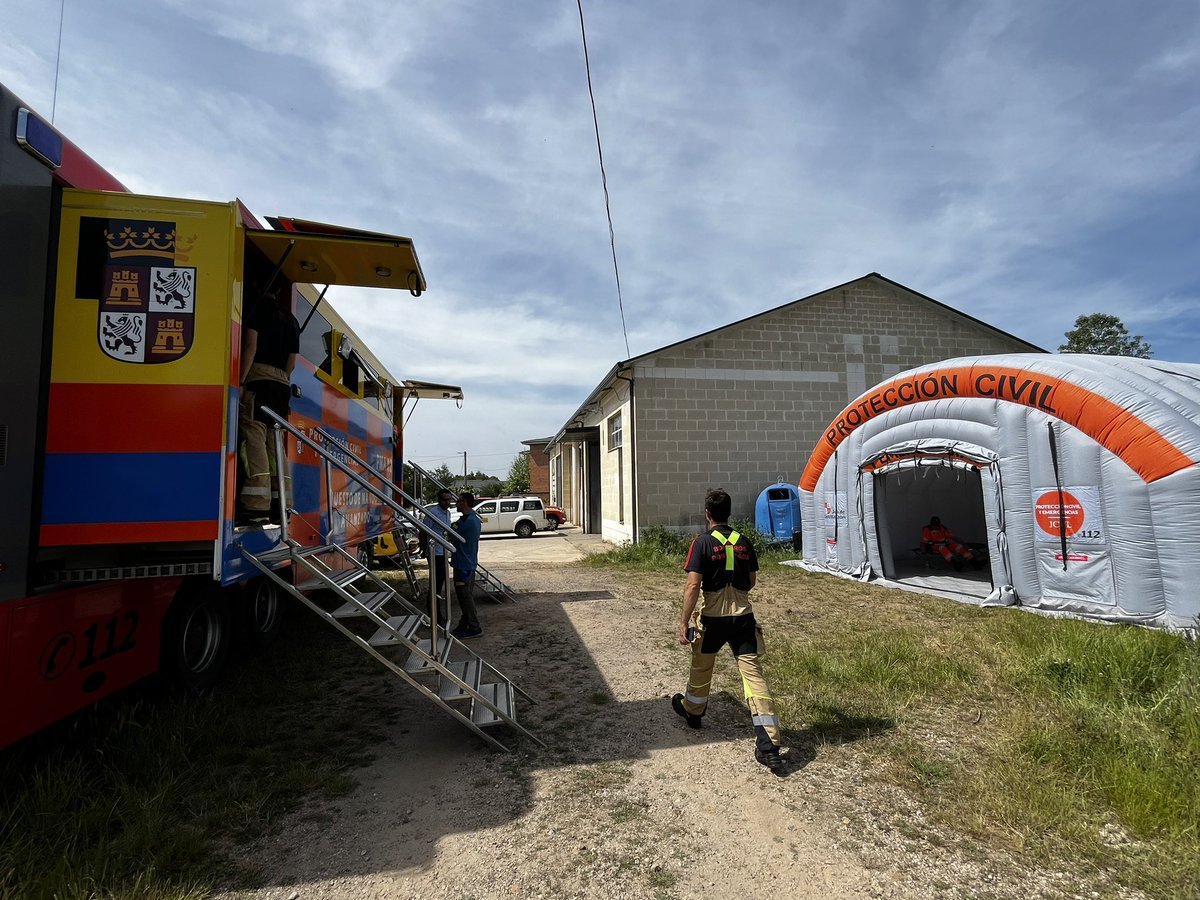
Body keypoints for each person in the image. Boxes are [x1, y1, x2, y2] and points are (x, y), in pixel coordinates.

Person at [672, 488, 784, 774]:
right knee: (753, 676)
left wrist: (684, 622)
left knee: (701, 666)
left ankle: (694, 712)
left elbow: (693, 585)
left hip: (713, 618)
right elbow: (752, 579)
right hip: (743, 617)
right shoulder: (744, 542)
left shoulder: (702, 543)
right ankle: (769, 745)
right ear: (728, 513)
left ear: (707, 513)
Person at [238, 279, 300, 525]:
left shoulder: (257, 308)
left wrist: (241, 383)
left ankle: (256, 506)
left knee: (254, 437)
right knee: (276, 445)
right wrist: (281, 378)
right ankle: (282, 505)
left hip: (258, 380)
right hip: (282, 384)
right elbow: (292, 363)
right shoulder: (292, 320)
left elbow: (250, 347)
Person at [450, 492, 483, 639]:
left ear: (464, 503)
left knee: (465, 597)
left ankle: (474, 626)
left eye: (459, 502)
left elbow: (451, 531)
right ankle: (464, 622)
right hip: (468, 563)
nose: (456, 504)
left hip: (463, 564)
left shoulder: (467, 521)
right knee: (465, 596)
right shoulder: (473, 519)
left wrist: (453, 525)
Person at [425, 489, 455, 624]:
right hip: (434, 552)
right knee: (435, 583)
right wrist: (423, 548)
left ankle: (436, 611)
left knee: (441, 581)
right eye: (444, 499)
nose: (447, 502)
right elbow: (423, 531)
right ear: (439, 499)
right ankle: (434, 613)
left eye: (449, 499)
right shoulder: (433, 513)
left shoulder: (448, 513)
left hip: (442, 552)